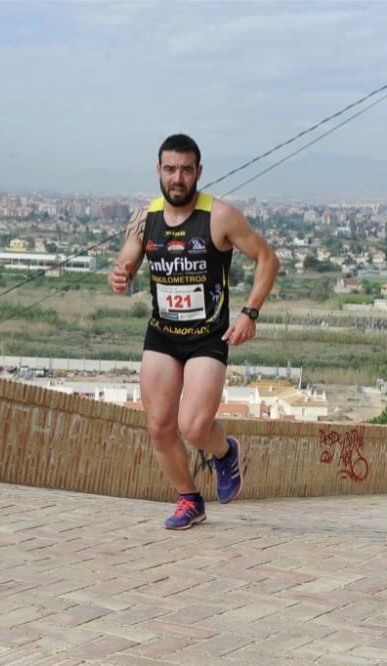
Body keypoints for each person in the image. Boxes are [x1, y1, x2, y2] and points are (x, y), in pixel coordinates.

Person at [109, 133, 279, 530]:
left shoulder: (219, 216)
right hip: (163, 335)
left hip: (207, 337)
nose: (177, 178)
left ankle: (224, 453)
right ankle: (189, 499)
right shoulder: (144, 217)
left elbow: (268, 259)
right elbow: (128, 258)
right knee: (159, 426)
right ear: (159, 172)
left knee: (195, 426)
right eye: (170, 169)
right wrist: (121, 274)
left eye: (186, 169)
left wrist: (249, 313)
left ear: (198, 172)